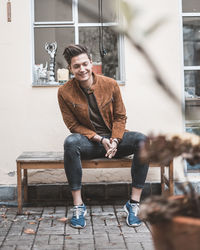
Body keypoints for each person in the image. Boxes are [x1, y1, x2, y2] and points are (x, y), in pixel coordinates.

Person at [57, 44, 149, 229]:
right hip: (92, 142)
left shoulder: (110, 84)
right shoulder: (64, 92)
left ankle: (133, 204)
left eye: (85, 64)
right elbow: (73, 126)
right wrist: (101, 139)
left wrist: (115, 139)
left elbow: (120, 116)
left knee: (142, 140)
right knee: (70, 142)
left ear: (91, 63)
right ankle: (78, 206)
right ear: (70, 69)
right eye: (76, 66)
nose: (82, 69)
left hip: (115, 140)